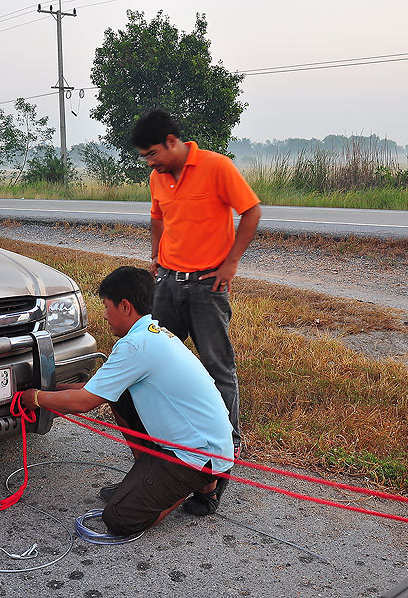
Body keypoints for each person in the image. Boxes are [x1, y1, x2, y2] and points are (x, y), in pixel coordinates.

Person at [20, 266, 234, 534]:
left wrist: (36, 398)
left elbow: (83, 402)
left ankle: (196, 484)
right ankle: (163, 480)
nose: (105, 316)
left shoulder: (135, 347)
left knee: (120, 518)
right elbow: (96, 389)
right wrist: (48, 386)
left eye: (107, 307)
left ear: (125, 306)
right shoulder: (152, 335)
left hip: (196, 454)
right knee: (118, 397)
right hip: (208, 445)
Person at [130, 109, 262, 463]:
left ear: (172, 142)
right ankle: (165, 439)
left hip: (207, 286)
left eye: (152, 153)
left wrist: (231, 263)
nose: (149, 163)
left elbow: (251, 211)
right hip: (168, 284)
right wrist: (156, 257)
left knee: (217, 365)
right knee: (156, 361)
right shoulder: (158, 179)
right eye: (144, 156)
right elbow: (157, 218)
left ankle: (229, 443)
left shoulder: (216, 167)